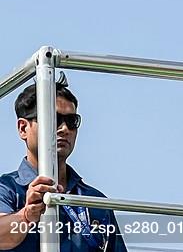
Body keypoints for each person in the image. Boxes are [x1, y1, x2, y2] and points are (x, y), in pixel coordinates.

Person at [0, 75, 127, 252]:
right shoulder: (6, 189)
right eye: (53, 119)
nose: (65, 129)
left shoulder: (95, 201)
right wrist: (26, 216)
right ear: (23, 128)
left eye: (72, 121)